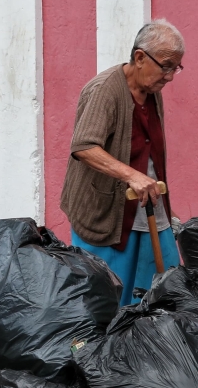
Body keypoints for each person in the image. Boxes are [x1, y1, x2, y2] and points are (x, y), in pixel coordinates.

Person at [61, 19, 184, 305]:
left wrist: (166, 206)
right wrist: (132, 175)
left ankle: (147, 346)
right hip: (106, 213)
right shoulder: (105, 89)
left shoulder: (152, 92)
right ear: (140, 57)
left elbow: (149, 151)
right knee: (109, 299)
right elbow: (84, 146)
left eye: (175, 68)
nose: (170, 76)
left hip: (147, 205)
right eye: (166, 66)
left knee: (160, 290)